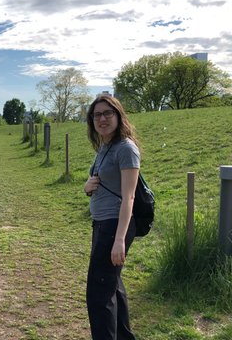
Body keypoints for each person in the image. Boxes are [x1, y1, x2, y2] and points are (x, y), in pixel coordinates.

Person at [83, 95, 141, 340]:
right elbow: (101, 183)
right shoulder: (105, 147)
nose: (102, 118)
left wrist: (119, 241)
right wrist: (88, 187)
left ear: (118, 116)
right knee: (112, 288)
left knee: (98, 293)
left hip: (115, 226)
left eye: (108, 113)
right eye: (97, 115)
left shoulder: (126, 148)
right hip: (102, 224)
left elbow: (129, 198)